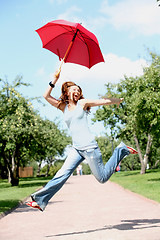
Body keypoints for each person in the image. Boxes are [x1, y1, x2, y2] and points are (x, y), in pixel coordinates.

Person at [26, 70, 138, 211]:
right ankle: (40, 200)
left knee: (102, 178)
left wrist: (118, 100)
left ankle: (121, 150)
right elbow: (46, 96)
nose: (77, 92)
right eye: (74, 89)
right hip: (76, 149)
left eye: (79, 90)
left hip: (90, 148)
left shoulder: (82, 103)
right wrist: (54, 79)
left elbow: (102, 101)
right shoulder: (63, 107)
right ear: (67, 92)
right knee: (62, 174)